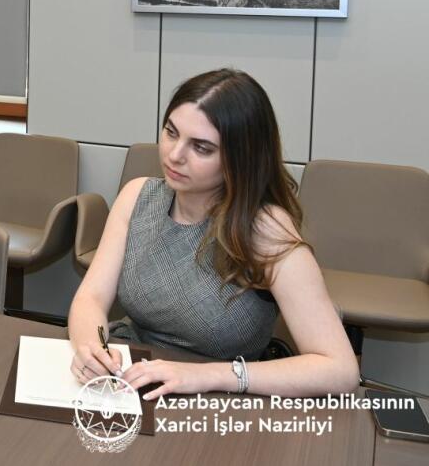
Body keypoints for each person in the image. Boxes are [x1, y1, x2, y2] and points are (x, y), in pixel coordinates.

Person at [68, 69, 359, 399]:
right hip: (133, 377)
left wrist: (205, 375)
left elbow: (340, 369)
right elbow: (91, 298)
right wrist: (92, 348)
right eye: (171, 132)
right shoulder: (138, 197)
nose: (174, 155)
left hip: (224, 393)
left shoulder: (266, 229)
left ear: (240, 159)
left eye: (201, 148)